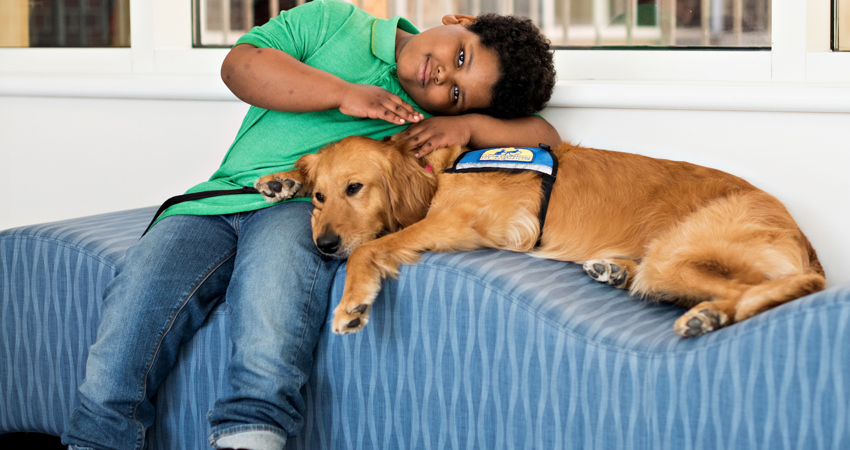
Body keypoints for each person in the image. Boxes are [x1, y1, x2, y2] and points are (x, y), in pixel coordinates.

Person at [61, 0, 559, 449]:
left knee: (271, 300)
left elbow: (544, 135)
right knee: (138, 292)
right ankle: (96, 438)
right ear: (460, 21)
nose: (442, 76)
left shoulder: (419, 122)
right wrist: (342, 94)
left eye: (456, 94)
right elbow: (240, 66)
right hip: (216, 200)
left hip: (303, 208)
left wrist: (466, 125)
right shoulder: (331, 21)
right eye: (461, 56)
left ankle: (250, 433)